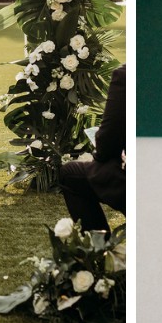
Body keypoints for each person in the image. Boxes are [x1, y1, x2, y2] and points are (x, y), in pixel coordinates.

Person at [58, 63, 126, 233]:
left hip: (138, 185)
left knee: (71, 173)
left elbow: (108, 140)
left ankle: (101, 251)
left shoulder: (127, 75)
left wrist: (102, 154)